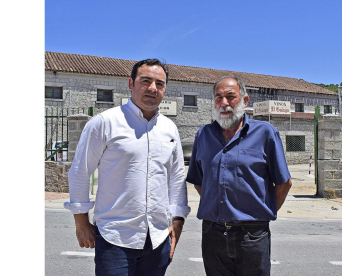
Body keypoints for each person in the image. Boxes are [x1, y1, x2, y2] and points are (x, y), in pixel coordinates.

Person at [64, 59, 190, 276]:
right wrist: (81, 222)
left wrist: (178, 221)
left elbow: (177, 178)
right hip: (115, 239)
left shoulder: (170, 128)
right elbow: (80, 172)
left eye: (160, 83)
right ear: (131, 84)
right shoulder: (105, 122)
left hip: (158, 239)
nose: (153, 88)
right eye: (146, 81)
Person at [186, 76, 292, 276]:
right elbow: (200, 183)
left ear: (244, 100)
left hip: (252, 235)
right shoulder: (203, 135)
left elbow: (284, 183)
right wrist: (219, 205)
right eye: (218, 97)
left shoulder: (266, 133)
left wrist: (261, 212)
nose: (224, 103)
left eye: (230, 97)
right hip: (213, 233)